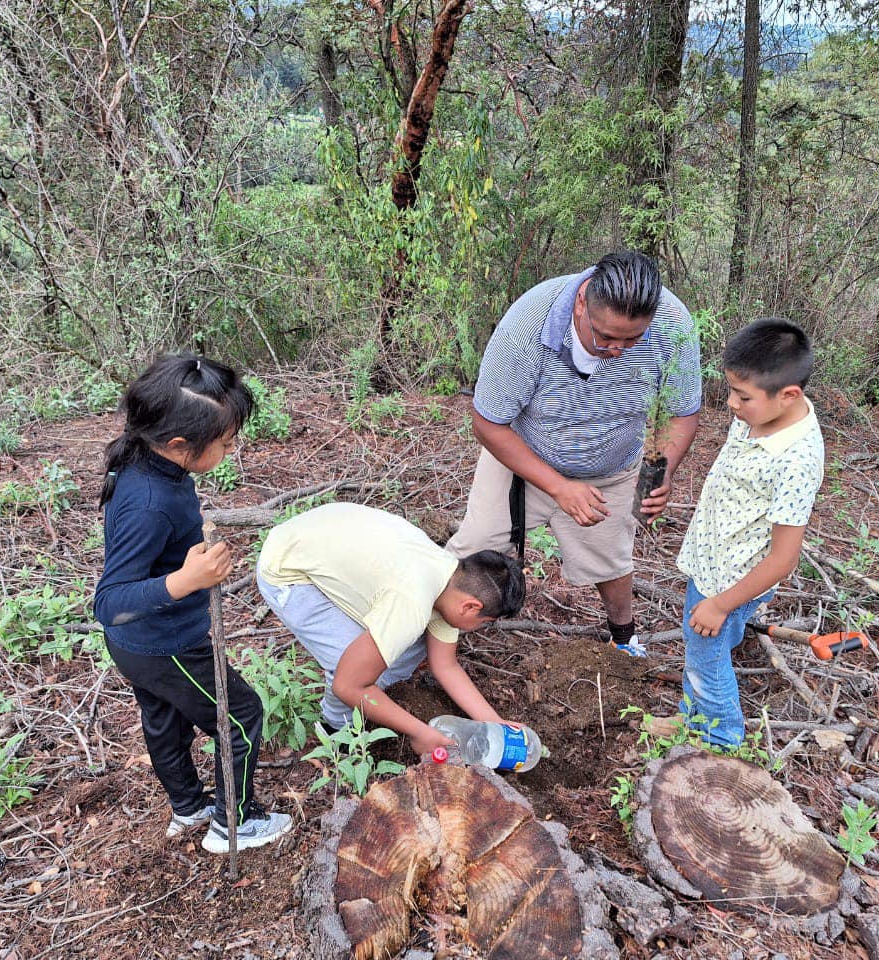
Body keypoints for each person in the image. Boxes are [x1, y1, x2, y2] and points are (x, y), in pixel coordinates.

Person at [446, 250, 701, 655]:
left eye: (631, 339)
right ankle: (430, 637)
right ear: (582, 302)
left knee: (611, 560)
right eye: (605, 336)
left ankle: (623, 641)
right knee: (473, 550)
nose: (617, 349)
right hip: (520, 461)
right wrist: (559, 487)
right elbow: (487, 422)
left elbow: (681, 412)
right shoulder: (528, 325)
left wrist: (662, 471)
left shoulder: (674, 325)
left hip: (611, 468)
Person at [94, 354, 292, 854]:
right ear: (179, 444)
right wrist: (186, 580)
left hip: (138, 647)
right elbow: (110, 601)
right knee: (242, 713)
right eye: (226, 444)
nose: (232, 449)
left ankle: (187, 808)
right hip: (167, 643)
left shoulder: (145, 463)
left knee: (166, 720)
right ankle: (235, 823)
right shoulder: (150, 502)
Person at [256, 502, 526, 756]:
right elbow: (346, 684)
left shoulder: (450, 577)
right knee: (348, 664)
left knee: (404, 646)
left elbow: (445, 665)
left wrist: (495, 724)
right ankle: (336, 732)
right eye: (484, 623)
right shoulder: (412, 602)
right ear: (470, 607)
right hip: (287, 569)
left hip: (323, 535)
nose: (478, 629)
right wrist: (420, 732)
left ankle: (376, 692)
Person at [674, 318, 824, 749]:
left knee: (705, 653)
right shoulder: (759, 414)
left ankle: (720, 739)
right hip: (713, 556)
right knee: (711, 642)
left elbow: (783, 559)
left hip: (731, 580)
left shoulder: (796, 459)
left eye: (742, 396)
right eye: (731, 391)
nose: (731, 405)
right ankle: (691, 717)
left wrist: (721, 604)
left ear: (789, 394)